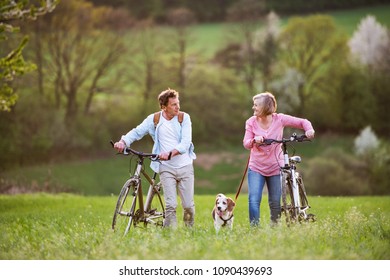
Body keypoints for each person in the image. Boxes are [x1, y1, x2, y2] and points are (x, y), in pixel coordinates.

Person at [113, 88, 196, 228]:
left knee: (188, 206)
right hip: (165, 167)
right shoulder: (155, 119)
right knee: (171, 205)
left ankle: (189, 233)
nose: (178, 107)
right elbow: (137, 131)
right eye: (174, 104)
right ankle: (171, 237)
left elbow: (185, 143)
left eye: (178, 103)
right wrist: (123, 142)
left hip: (185, 166)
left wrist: (170, 153)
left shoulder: (184, 118)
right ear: (164, 107)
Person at [242, 92, 315, 226]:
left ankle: (274, 228)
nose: (253, 108)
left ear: (265, 107)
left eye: (256, 105)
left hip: (276, 166)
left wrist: (309, 130)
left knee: (275, 202)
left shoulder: (280, 119)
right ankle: (254, 229)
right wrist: (254, 140)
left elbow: (302, 122)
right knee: (253, 200)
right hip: (256, 167)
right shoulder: (251, 122)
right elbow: (246, 143)